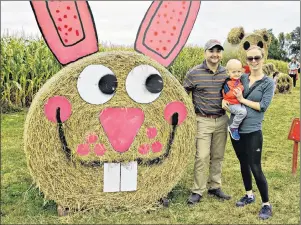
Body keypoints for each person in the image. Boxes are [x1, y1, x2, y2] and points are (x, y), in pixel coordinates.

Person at [222, 45, 275, 220]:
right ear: (246, 61)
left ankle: (266, 204)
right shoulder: (241, 77)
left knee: (255, 167)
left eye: (257, 58)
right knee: (243, 163)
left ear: (263, 58)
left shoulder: (267, 83)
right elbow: (227, 88)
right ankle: (249, 194)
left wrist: (242, 100)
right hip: (235, 129)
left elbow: (263, 106)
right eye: (250, 58)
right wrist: (224, 102)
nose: (254, 61)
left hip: (253, 130)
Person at [183, 39, 231, 205]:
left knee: (218, 156)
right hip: (202, 120)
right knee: (202, 156)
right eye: (212, 51)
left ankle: (215, 186)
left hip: (222, 119)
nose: (215, 54)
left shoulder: (226, 73)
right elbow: (183, 94)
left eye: (218, 51)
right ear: (205, 53)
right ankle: (198, 190)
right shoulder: (194, 73)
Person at [222, 59, 247, 141]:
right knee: (243, 112)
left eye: (239, 71)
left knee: (244, 110)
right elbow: (228, 94)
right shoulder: (227, 83)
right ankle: (233, 127)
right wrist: (240, 88)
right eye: (234, 72)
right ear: (228, 73)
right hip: (231, 104)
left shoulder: (238, 81)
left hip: (237, 103)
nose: (237, 74)